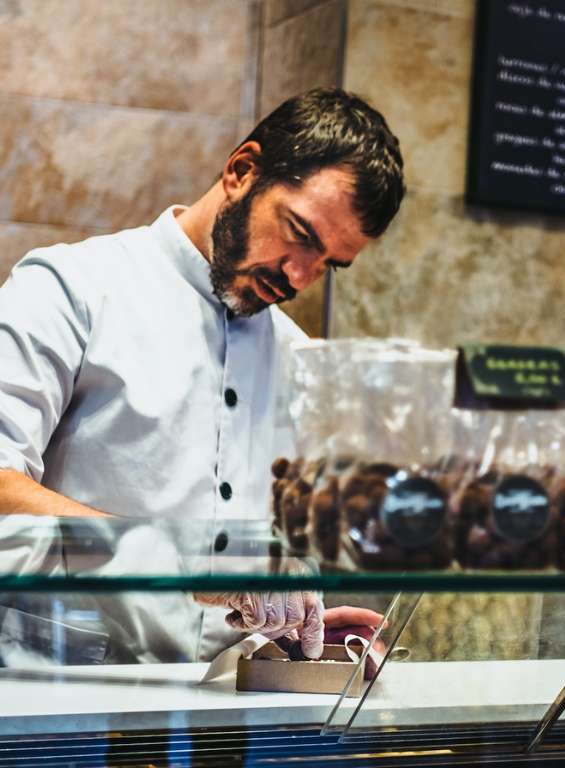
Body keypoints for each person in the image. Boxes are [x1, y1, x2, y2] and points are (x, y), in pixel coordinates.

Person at [0, 88, 405, 665]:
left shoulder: (294, 357)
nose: (299, 275)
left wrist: (284, 626)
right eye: (300, 234)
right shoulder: (70, 288)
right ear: (242, 170)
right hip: (45, 705)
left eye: (328, 264)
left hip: (214, 723)